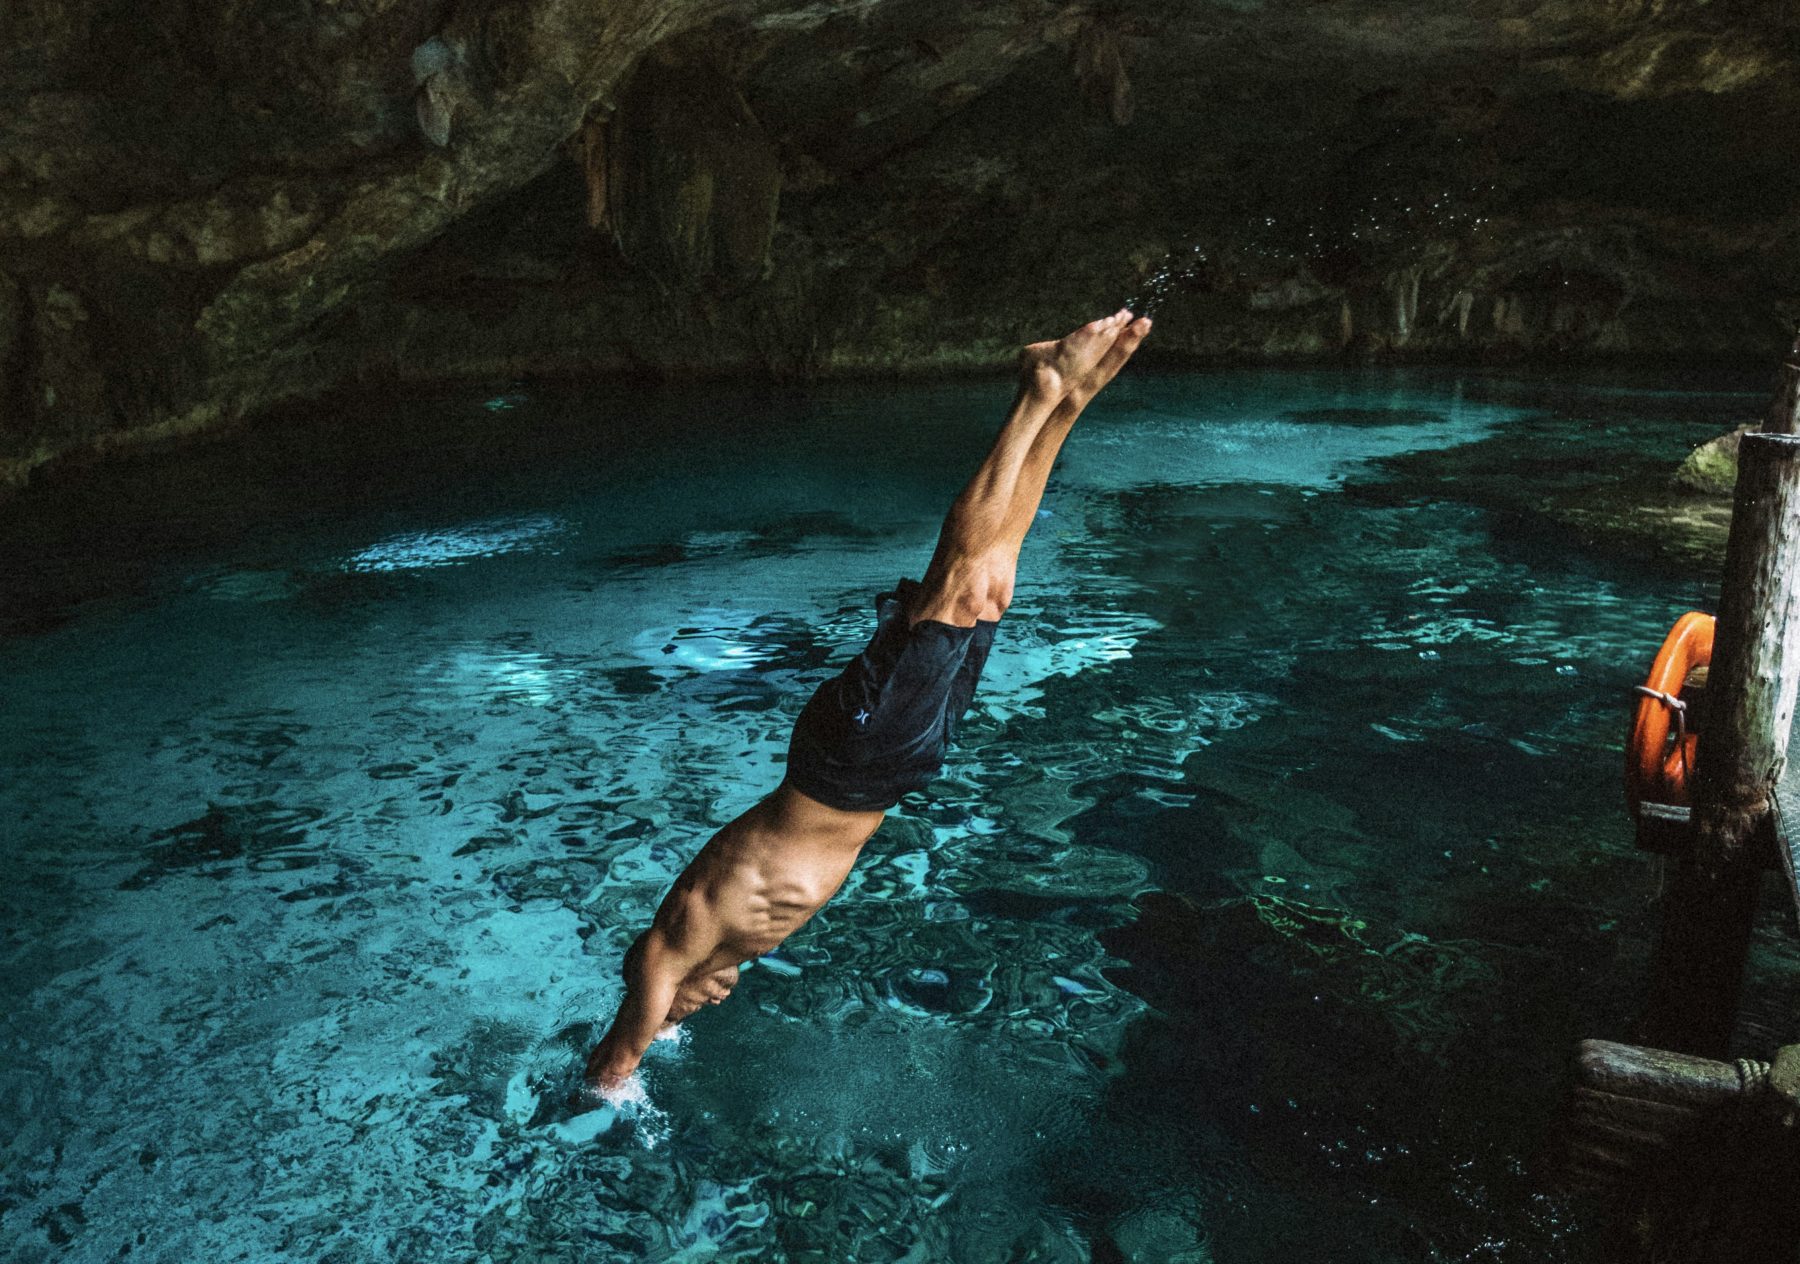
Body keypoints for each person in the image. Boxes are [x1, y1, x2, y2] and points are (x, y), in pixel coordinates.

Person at [583, 310, 1154, 1095]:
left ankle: (1038, 390)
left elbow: (615, 1062)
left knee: (955, 584)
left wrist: (620, 1081)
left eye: (686, 1012)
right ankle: (1070, 402)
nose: (707, 1005)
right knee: (990, 591)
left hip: (848, 760)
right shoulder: (720, 952)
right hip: (882, 769)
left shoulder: (667, 951)